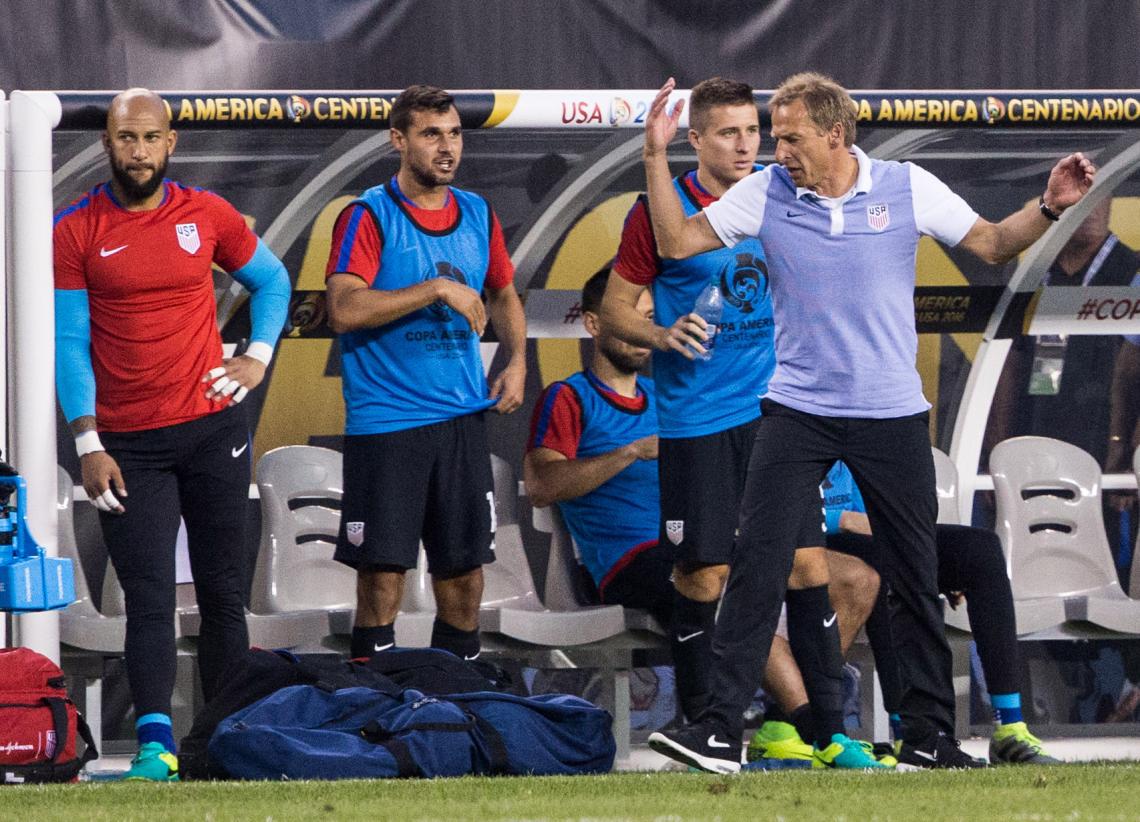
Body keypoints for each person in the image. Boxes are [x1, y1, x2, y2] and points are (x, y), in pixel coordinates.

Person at [642, 71, 1095, 773]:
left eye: (791, 138)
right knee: (758, 563)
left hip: (890, 412)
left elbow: (995, 243)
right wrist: (654, 154)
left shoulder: (906, 186)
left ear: (835, 135)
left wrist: (1050, 205)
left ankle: (927, 737)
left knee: (915, 574)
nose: (777, 150)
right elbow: (674, 243)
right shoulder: (764, 192)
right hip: (796, 410)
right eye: (776, 136)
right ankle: (719, 731)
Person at [601, 77, 880, 769]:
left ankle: (827, 732)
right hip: (697, 422)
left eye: (752, 131)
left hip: (776, 416)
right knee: (703, 575)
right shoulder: (657, 214)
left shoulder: (781, 194)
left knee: (806, 563)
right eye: (728, 133)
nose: (746, 144)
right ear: (696, 140)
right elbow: (613, 310)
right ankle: (704, 731)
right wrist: (660, 335)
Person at [528, 267, 879, 753]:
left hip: (712, 536)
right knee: (725, 584)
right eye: (634, 319)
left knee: (854, 577)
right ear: (594, 323)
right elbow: (542, 484)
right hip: (632, 557)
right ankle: (817, 729)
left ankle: (783, 726)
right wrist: (629, 452)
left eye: (652, 318)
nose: (642, 332)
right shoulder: (569, 396)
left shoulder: (671, 397)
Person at [53, 88, 292, 781]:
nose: (138, 152)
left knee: (222, 591)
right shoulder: (74, 230)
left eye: (150, 138)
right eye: (126, 139)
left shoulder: (208, 214)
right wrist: (88, 442)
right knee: (149, 597)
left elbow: (273, 283)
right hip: (128, 445)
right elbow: (71, 342)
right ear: (107, 144)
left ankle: (221, 737)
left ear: (171, 144)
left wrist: (259, 355)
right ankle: (156, 746)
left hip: (214, 429)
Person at [324, 85, 526, 666]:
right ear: (398, 140)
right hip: (388, 425)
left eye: (455, 134)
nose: (447, 147)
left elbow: (506, 293)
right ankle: (373, 709)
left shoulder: (478, 213)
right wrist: (435, 288)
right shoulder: (368, 214)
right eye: (431, 134)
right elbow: (344, 309)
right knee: (382, 581)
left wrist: (516, 361)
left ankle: (453, 707)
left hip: (461, 421)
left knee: (464, 583)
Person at [819, 459, 1060, 765]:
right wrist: (846, 519)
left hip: (872, 536)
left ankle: (1009, 727)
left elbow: (877, 507)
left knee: (980, 550)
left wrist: (926, 563)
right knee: (888, 565)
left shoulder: (863, 424)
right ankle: (911, 734)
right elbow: (765, 508)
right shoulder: (778, 423)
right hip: (812, 543)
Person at [988, 199, 1140, 553]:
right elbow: (1006, 362)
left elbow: (1134, 372)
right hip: (1036, 437)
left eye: (1098, 198)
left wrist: (1125, 452)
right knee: (1033, 551)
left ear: (1110, 205)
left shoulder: (1131, 270)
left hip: (1103, 444)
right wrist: (997, 445)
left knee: (1100, 556)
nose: (1090, 211)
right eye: (1080, 200)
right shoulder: (1034, 272)